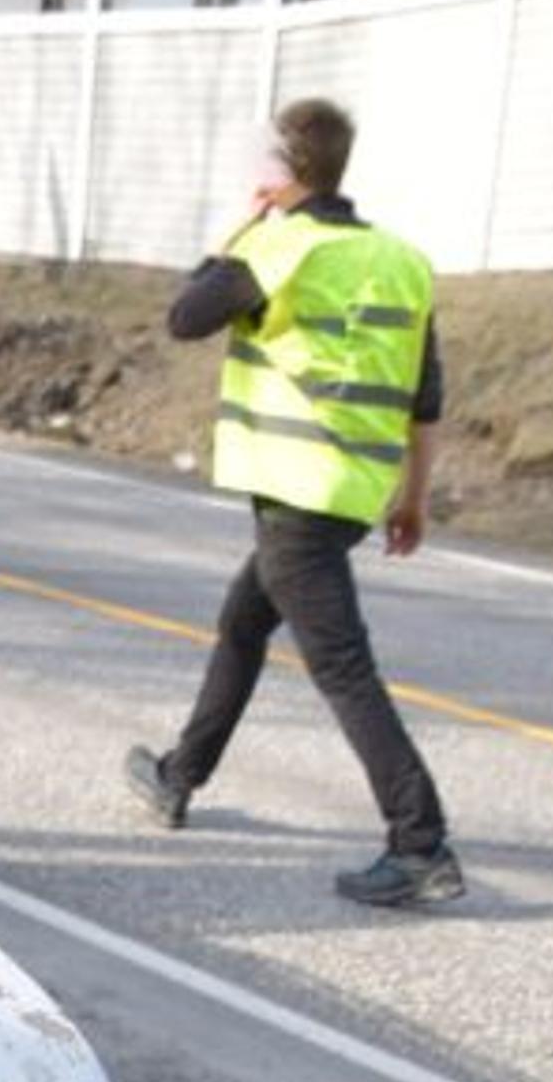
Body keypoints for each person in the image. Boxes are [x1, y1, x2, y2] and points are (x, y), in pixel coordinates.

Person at [120, 96, 461, 908]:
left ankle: (421, 844)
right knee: (245, 623)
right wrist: (413, 498)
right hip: (350, 492)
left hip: (297, 489)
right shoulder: (403, 260)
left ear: (280, 171)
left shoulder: (280, 247)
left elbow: (184, 317)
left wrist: (235, 232)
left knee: (342, 667)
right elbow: (425, 398)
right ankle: (180, 774)